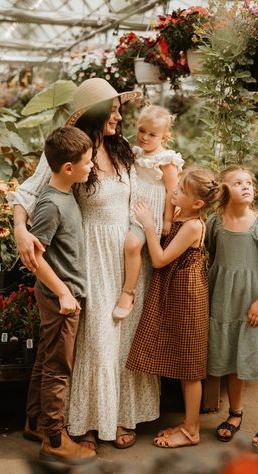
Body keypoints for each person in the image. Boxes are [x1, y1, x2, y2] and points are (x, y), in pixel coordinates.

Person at [8, 78, 160, 452]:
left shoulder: (122, 150)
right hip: (87, 252)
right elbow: (30, 190)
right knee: (96, 339)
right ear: (95, 114)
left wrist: (140, 234)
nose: (119, 116)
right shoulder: (72, 148)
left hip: (125, 254)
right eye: (113, 110)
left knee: (123, 337)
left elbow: (138, 197)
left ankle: (122, 413)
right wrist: (20, 229)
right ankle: (89, 420)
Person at [126, 169, 220, 448]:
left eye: (180, 191)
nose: (173, 193)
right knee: (182, 362)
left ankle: (192, 431)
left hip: (188, 294)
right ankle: (188, 423)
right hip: (177, 288)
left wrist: (147, 224)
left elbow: (159, 259)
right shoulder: (182, 215)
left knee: (190, 367)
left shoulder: (193, 225)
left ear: (198, 204)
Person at [205, 164, 258, 451]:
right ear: (224, 189)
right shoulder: (215, 223)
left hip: (256, 302)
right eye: (238, 182)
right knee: (231, 356)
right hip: (226, 300)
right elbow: (214, 256)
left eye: (249, 182)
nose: (246, 186)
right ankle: (235, 413)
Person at [23, 126, 96, 464]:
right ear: (69, 168)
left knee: (46, 358)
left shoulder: (65, 196)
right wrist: (65, 294)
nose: (92, 167)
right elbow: (35, 258)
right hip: (60, 298)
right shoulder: (51, 205)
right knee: (58, 368)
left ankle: (36, 421)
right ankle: (55, 439)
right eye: (88, 162)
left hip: (60, 295)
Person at [113, 105, 184, 320]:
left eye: (152, 134)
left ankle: (128, 291)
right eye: (142, 130)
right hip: (132, 206)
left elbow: (173, 191)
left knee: (133, 244)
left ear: (165, 136)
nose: (144, 137)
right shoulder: (136, 153)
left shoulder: (166, 160)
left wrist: (168, 220)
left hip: (150, 213)